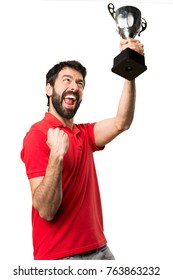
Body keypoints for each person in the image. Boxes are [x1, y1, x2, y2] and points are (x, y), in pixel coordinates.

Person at [20, 38, 145, 260]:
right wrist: (56, 156)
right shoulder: (37, 135)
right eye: (66, 80)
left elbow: (121, 122)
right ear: (49, 89)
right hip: (61, 258)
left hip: (100, 249)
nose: (74, 87)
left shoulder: (83, 133)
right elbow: (46, 211)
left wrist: (130, 71)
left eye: (80, 83)